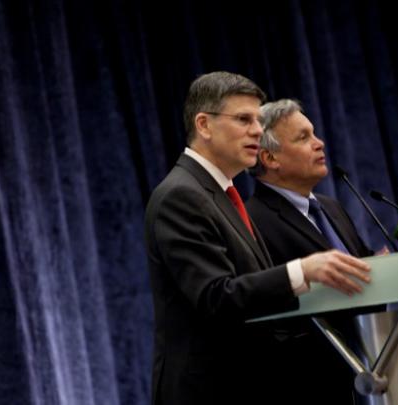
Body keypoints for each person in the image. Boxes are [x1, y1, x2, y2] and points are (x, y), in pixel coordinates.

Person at [144, 72, 371, 405]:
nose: (257, 130)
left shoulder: (220, 193)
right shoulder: (182, 195)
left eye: (258, 120)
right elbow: (216, 297)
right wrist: (302, 271)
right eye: (243, 119)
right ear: (204, 125)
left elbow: (253, 293)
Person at [246, 98, 373, 403]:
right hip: (304, 385)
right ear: (270, 158)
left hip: (365, 371)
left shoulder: (330, 207)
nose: (320, 143)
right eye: (304, 138)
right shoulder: (251, 220)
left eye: (314, 134)